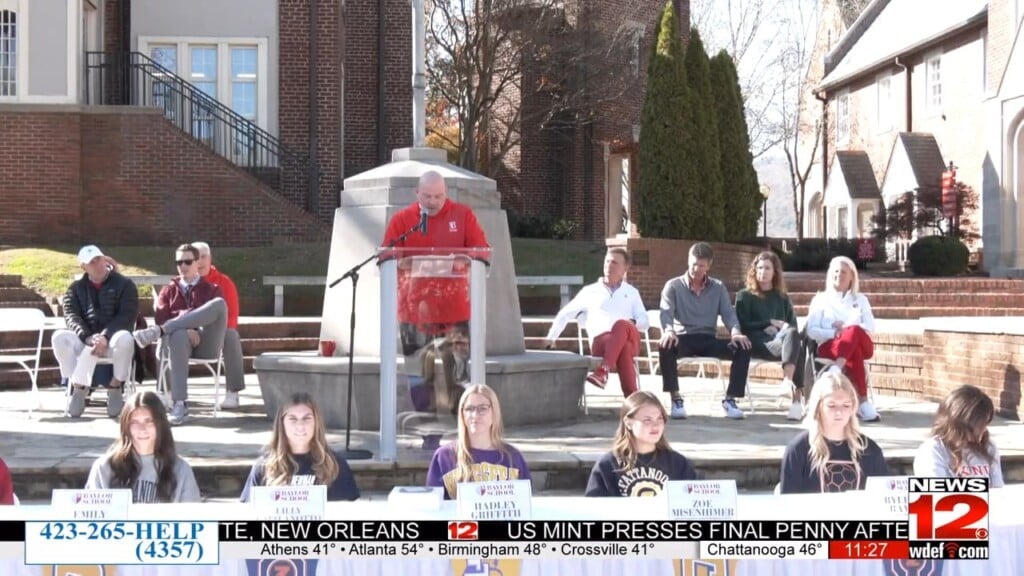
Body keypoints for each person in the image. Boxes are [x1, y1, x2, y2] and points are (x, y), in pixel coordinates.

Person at [132, 244, 228, 425]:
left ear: (197, 262)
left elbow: (212, 316)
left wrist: (193, 328)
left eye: (187, 261)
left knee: (219, 303)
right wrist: (186, 328)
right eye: (179, 262)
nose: (183, 266)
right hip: (177, 344)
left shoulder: (212, 289)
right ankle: (180, 403)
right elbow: (161, 317)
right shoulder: (168, 290)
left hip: (205, 342)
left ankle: (161, 332)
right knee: (178, 335)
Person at [658, 242, 752, 420]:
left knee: (743, 347)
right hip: (683, 338)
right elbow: (666, 313)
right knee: (666, 345)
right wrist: (668, 330)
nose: (696, 269)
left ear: (708, 266)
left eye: (701, 265)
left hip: (709, 338)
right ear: (688, 261)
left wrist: (736, 332)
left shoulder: (718, 287)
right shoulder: (673, 286)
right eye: (693, 264)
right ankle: (676, 399)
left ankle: (730, 399)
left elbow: (728, 314)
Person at [544, 248, 649, 396]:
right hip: (601, 343)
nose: (609, 265)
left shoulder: (631, 292)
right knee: (622, 345)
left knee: (621, 325)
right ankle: (632, 397)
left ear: (625, 268)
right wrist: (551, 338)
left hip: (630, 338)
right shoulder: (590, 291)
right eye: (607, 261)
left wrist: (631, 322)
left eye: (614, 262)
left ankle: (603, 372)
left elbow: (644, 322)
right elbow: (566, 313)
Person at [52, 245, 139, 418]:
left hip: (112, 340)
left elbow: (127, 316)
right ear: (83, 267)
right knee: (60, 337)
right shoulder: (75, 289)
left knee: (125, 338)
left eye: (98, 259)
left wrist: (105, 336)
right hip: (87, 340)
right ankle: (77, 386)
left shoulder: (125, 285)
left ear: (105, 259)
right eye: (91, 262)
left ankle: (115, 386)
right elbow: (71, 317)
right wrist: (88, 337)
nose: (97, 264)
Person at [779, 372, 889, 494]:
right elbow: (788, 505)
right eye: (831, 405)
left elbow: (884, 499)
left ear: (853, 408)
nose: (839, 412)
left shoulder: (869, 450)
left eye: (846, 405)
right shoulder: (799, 450)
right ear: (818, 407)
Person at [240, 392, 361, 502]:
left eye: (306, 419)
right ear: (282, 424)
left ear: (316, 423)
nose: (300, 426)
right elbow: (249, 513)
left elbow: (348, 512)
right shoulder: (264, 466)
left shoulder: (336, 465)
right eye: (293, 419)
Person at [84, 391, 202, 502]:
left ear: (160, 424)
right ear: (125, 427)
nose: (142, 429)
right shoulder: (104, 468)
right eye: (134, 422)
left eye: (148, 421)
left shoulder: (181, 470)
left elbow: (192, 518)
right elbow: (91, 517)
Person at [426, 384, 531, 500]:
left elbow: (525, 504)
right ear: (462, 414)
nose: (475, 415)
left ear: (494, 412)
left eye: (483, 409)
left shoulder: (513, 457)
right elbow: (434, 506)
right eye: (469, 409)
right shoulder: (444, 456)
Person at [805, 256, 879, 422]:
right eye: (836, 271)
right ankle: (863, 402)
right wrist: (834, 333)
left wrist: (845, 329)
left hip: (861, 341)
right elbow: (811, 330)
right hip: (830, 345)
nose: (839, 275)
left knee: (853, 331)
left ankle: (837, 368)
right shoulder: (820, 299)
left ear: (852, 276)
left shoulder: (861, 299)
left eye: (844, 272)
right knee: (855, 352)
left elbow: (870, 326)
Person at [585, 391, 698, 497]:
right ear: (628, 423)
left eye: (660, 419)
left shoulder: (678, 464)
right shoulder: (608, 465)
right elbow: (593, 509)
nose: (655, 426)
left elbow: (691, 504)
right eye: (647, 420)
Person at [735, 251, 805, 421]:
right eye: (759, 268)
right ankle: (796, 399)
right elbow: (742, 324)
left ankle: (789, 387)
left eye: (767, 268)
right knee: (797, 349)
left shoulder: (782, 297)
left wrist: (782, 328)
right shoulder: (744, 296)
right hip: (756, 342)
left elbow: (792, 325)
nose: (763, 272)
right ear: (754, 271)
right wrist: (768, 324)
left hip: (779, 342)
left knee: (795, 339)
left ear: (774, 272)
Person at [913, 385, 1004, 487]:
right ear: (964, 422)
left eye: (987, 422)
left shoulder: (988, 447)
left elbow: (998, 491)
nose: (984, 429)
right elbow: (935, 494)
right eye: (981, 424)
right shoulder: (933, 450)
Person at [192, 241, 245, 410]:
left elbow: (232, 317)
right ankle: (167, 393)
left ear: (210, 258)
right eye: (195, 258)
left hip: (216, 336)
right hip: (189, 335)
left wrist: (218, 332)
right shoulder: (182, 283)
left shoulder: (224, 283)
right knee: (168, 334)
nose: (200, 262)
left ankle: (233, 392)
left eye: (203, 257)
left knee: (231, 334)